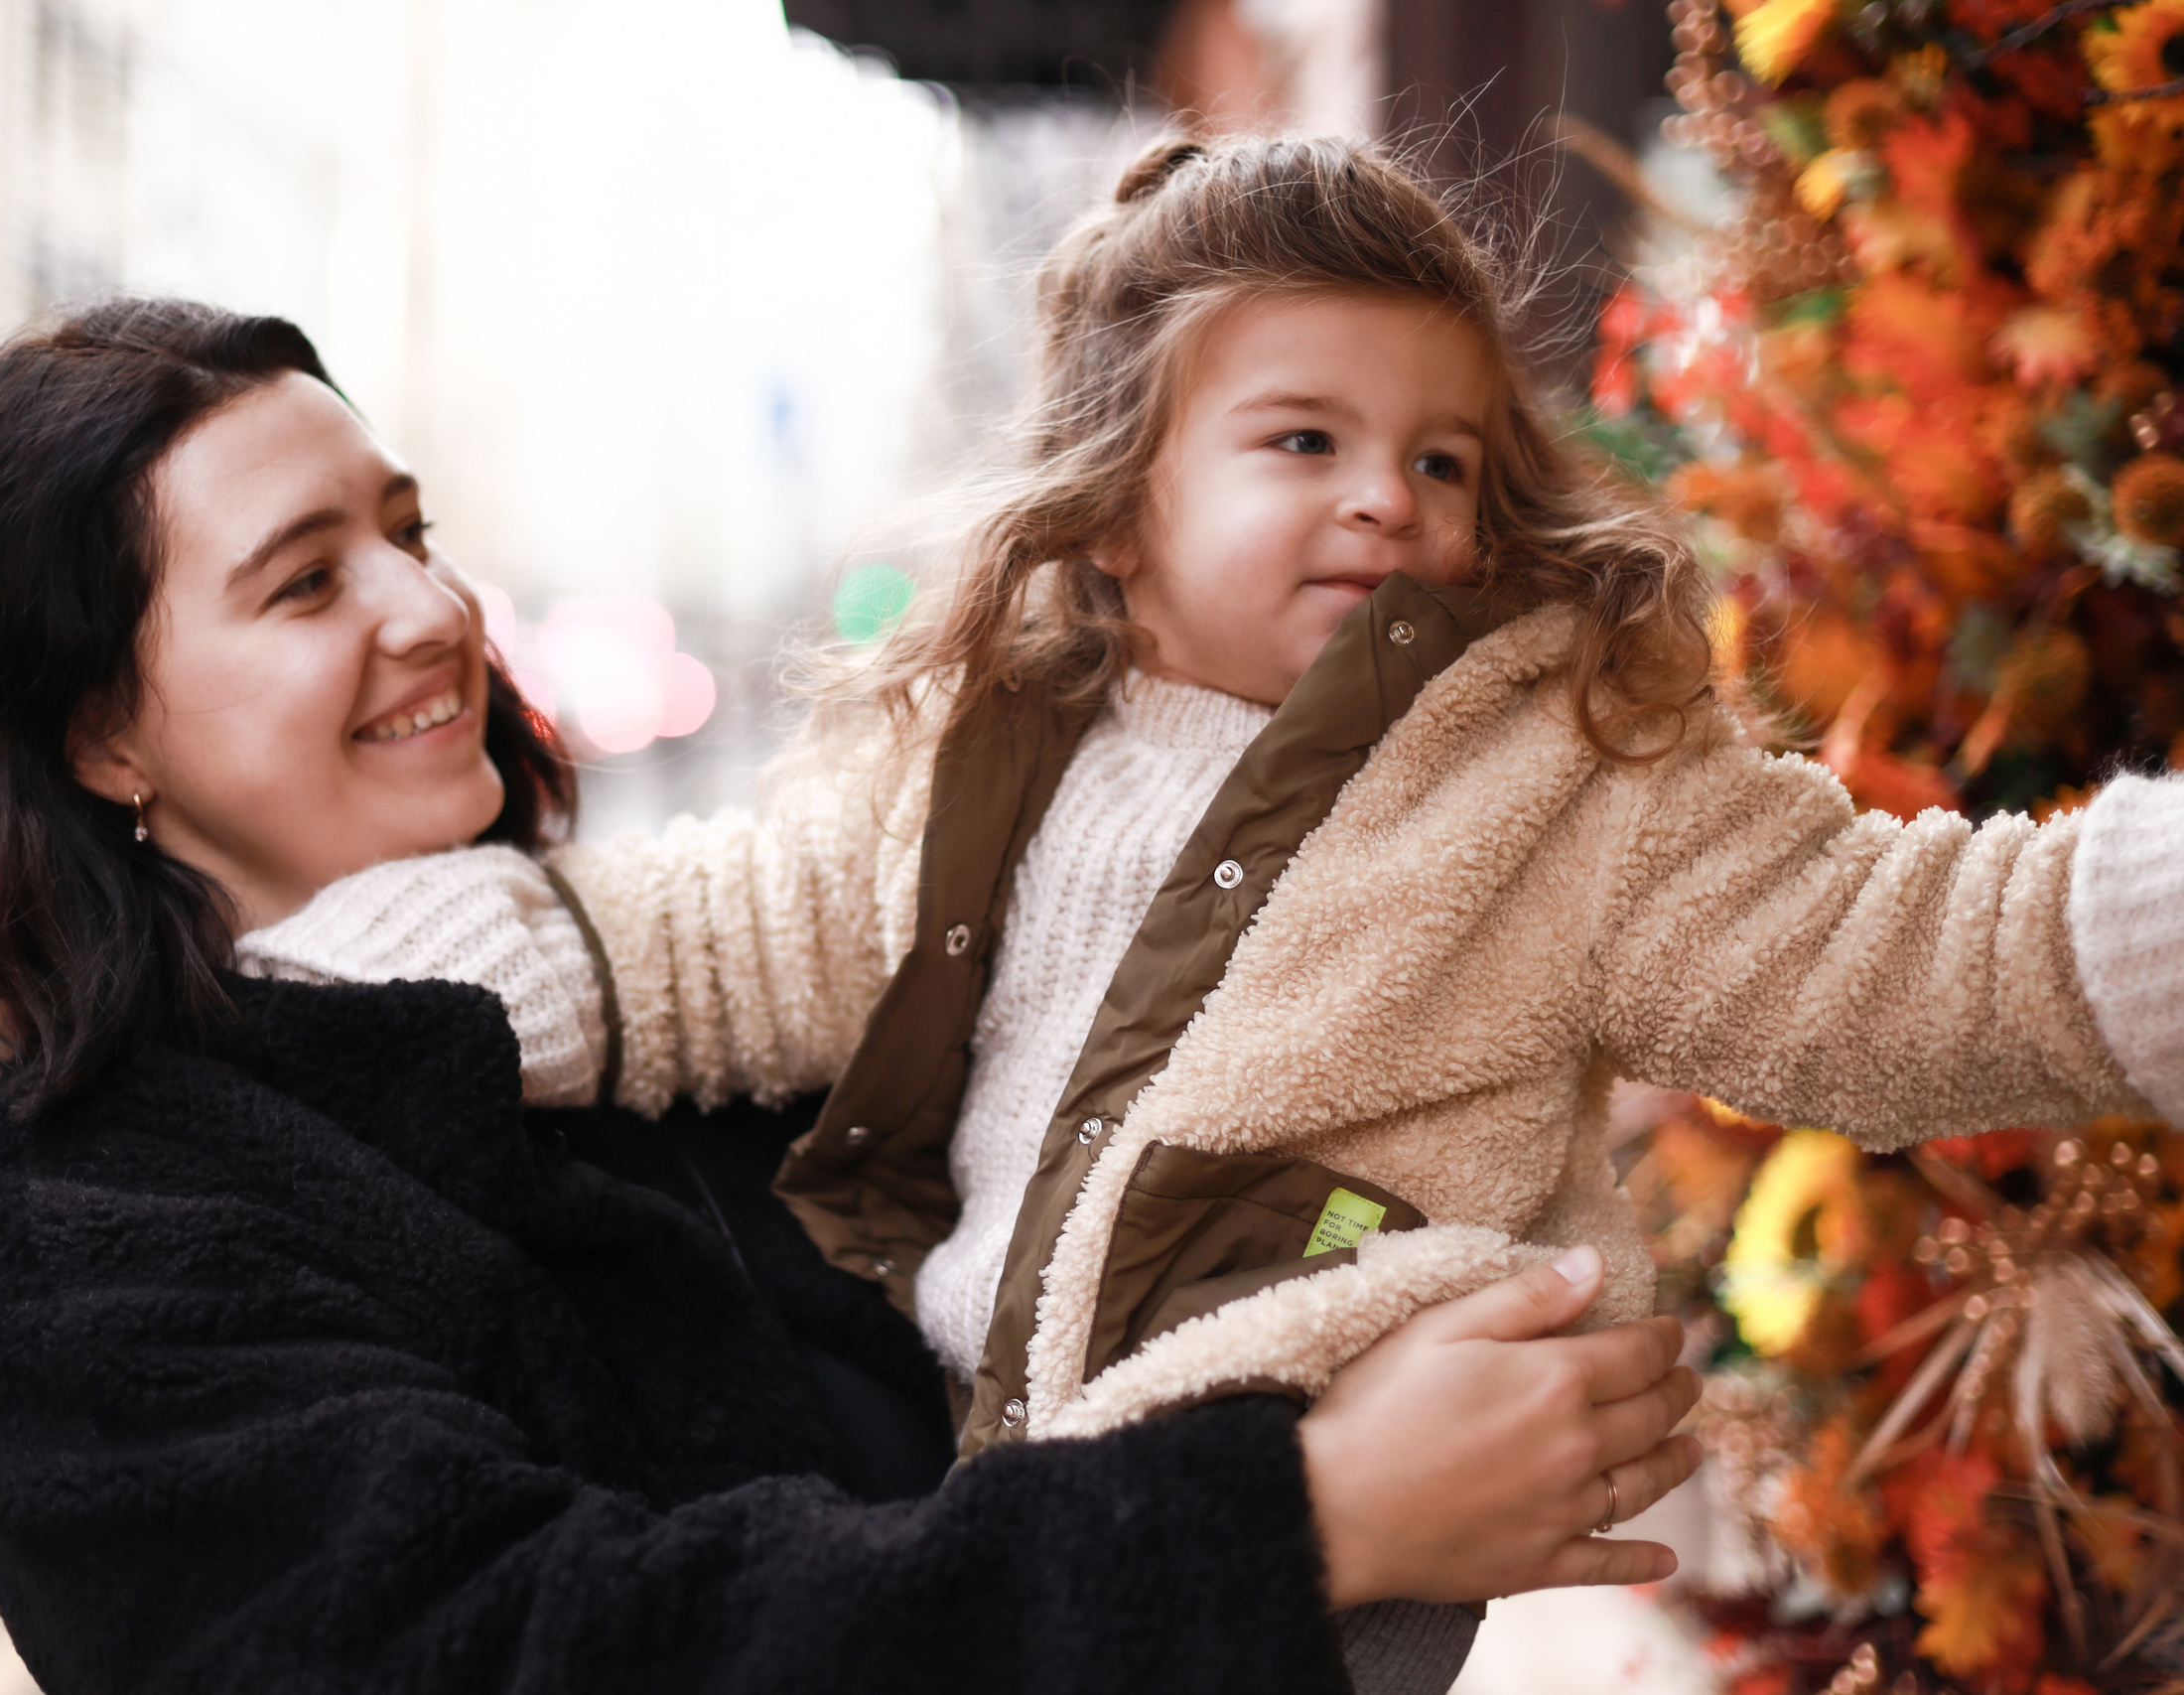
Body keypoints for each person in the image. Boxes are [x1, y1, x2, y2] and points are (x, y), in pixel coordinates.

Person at [237, 135, 2184, 1688]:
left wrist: (2132, 910)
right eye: (1300, 442)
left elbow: (1888, 943)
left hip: (1346, 1402)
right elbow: (730, 930)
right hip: (1036, 1468)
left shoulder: (1554, 776)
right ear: (1111, 505)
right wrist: (437, 962)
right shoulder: (976, 754)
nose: (1386, 502)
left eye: (1438, 457)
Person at [0, 299, 1706, 1695]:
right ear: (101, 731)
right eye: (303, 582)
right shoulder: (91, 1232)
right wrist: (1294, 1516)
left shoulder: (655, 1002)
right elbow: (529, 1636)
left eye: (408, 531)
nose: (427, 610)